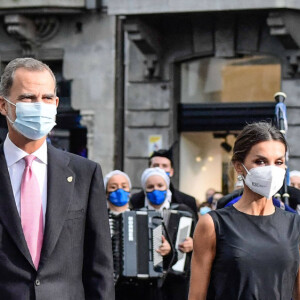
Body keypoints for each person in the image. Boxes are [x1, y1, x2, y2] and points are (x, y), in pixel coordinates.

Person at [0, 58, 114, 299]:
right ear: (3, 105)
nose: (39, 106)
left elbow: (99, 267)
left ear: (56, 104)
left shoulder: (85, 173)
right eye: (28, 98)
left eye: (47, 98)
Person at [189, 122, 300, 300]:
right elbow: (196, 296)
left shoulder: (295, 225)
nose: (271, 170)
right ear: (239, 166)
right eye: (260, 161)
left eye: (278, 162)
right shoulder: (213, 225)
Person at [140, 167, 196, 300]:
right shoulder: (138, 214)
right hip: (146, 286)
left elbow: (201, 241)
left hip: (177, 283)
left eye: (160, 186)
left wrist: (194, 244)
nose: (156, 190)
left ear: (167, 187)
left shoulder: (183, 212)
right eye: (150, 187)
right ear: (144, 190)